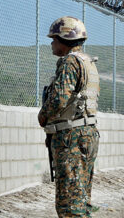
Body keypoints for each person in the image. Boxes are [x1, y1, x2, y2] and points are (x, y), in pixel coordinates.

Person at [38, 16, 100, 217]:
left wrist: (43, 115)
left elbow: (59, 99)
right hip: (87, 133)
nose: (51, 43)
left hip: (70, 137)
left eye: (54, 39)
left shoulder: (69, 62)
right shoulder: (87, 62)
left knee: (69, 205)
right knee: (81, 200)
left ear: (64, 40)